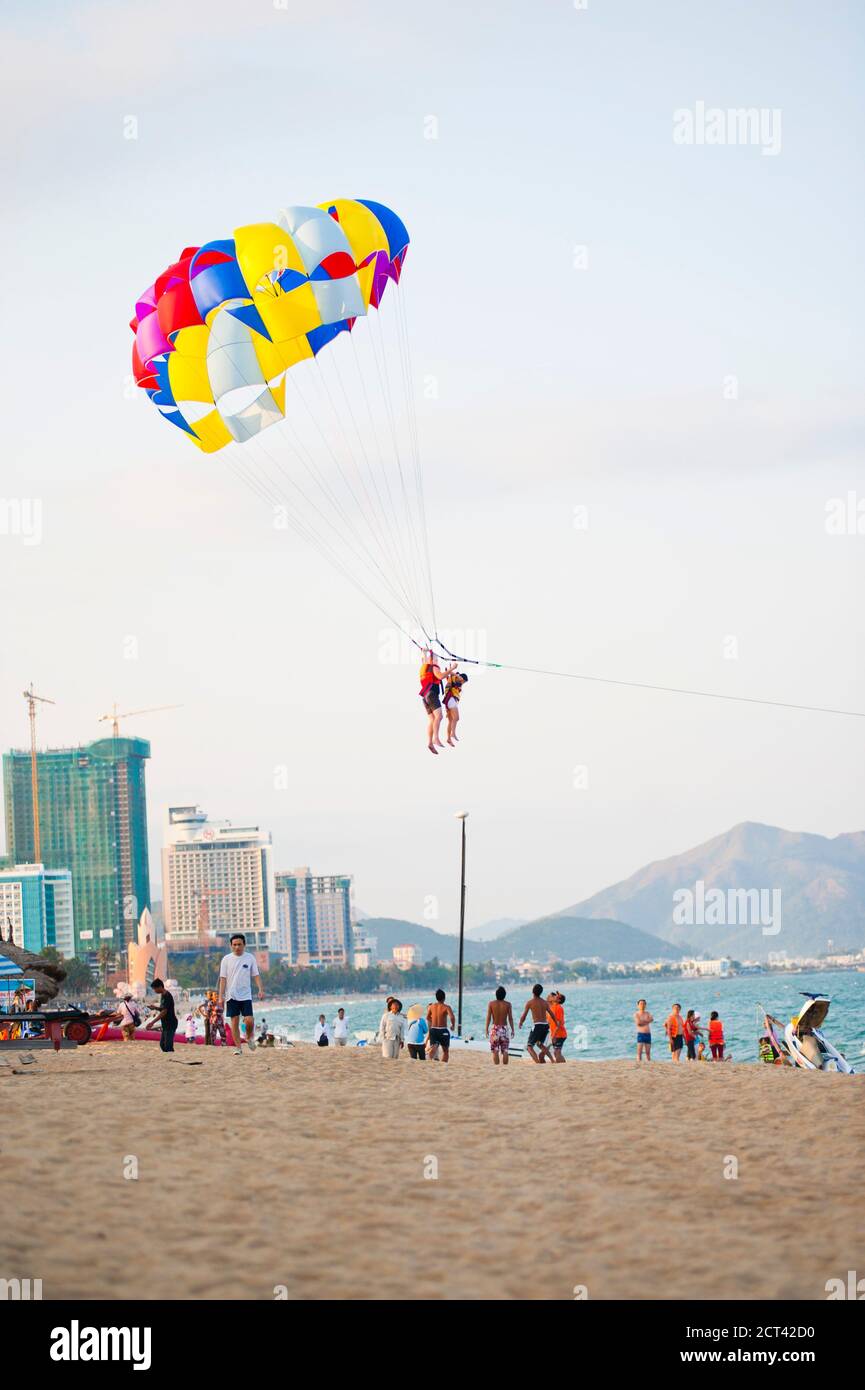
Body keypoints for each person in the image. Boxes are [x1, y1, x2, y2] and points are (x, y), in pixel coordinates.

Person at [217, 933, 264, 1055]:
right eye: (234, 945)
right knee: (234, 1022)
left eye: (239, 944)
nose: (237, 947)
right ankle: (238, 1048)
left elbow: (256, 975)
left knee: (249, 1020)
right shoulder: (226, 959)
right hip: (231, 995)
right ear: (231, 945)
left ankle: (248, 1037)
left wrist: (260, 989)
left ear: (244, 945)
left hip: (246, 996)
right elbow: (223, 979)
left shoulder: (250, 958)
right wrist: (220, 997)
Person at [419, 649, 456, 755]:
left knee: (432, 720)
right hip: (432, 694)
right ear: (432, 660)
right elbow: (440, 676)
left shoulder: (425, 666)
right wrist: (452, 668)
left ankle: (430, 742)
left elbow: (423, 658)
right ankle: (435, 738)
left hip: (425, 697)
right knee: (439, 717)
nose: (437, 661)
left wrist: (424, 651)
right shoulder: (434, 667)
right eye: (436, 659)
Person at [519, 983, 557, 1063]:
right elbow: (551, 1013)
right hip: (545, 1025)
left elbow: (524, 1015)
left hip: (537, 1025)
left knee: (529, 1046)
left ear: (533, 991)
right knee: (539, 1044)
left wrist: (521, 1022)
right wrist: (556, 1023)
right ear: (541, 992)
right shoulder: (544, 1002)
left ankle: (537, 1063)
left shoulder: (530, 1002)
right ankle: (552, 1060)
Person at [485, 986, 514, 1065]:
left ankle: (497, 1067)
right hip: (504, 1029)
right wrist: (513, 1030)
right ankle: (505, 1067)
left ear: (496, 994)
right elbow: (510, 1018)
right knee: (505, 1050)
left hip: (495, 1029)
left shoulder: (491, 1004)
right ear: (504, 995)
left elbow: (488, 1017)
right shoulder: (508, 1004)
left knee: (495, 1050)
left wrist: (486, 1028)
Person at [427, 989, 455, 1062]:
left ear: (436, 997)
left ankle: (428, 1061)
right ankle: (443, 1064)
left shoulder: (431, 1006)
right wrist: (453, 1025)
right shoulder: (446, 1007)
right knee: (445, 1051)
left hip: (433, 1029)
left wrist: (433, 1021)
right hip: (442, 1030)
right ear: (444, 998)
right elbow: (452, 1017)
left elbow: (427, 1017)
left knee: (433, 1048)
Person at [150, 978, 177, 1053]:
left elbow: (164, 1012)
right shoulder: (162, 995)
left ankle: (172, 1059)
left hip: (171, 1023)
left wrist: (152, 1022)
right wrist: (155, 1008)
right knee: (162, 1045)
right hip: (165, 1024)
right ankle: (168, 1060)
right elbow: (163, 1008)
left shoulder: (167, 995)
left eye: (155, 989)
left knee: (168, 1045)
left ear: (160, 987)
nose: (154, 991)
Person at [443, 670, 469, 746]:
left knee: (451, 721)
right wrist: (453, 670)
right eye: (464, 681)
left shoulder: (455, 681)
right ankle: (453, 733)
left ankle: (448, 738)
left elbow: (451, 681)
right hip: (450, 699)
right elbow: (452, 674)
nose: (463, 683)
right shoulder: (455, 677)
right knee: (456, 718)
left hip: (449, 701)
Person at [548, 991, 567, 1062]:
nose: (555, 996)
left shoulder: (559, 1008)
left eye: (557, 996)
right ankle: (562, 1065)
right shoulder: (553, 1007)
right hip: (556, 1034)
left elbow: (558, 1023)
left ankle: (562, 1066)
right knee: (556, 1053)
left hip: (560, 1034)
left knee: (557, 1052)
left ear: (559, 1000)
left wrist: (554, 1035)